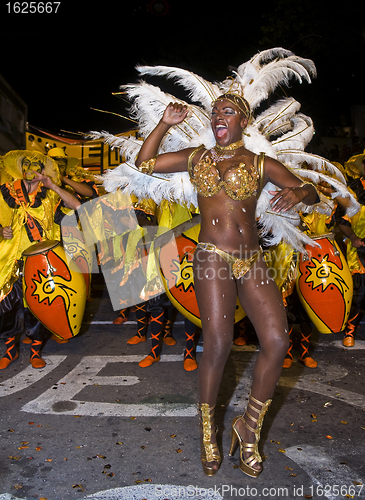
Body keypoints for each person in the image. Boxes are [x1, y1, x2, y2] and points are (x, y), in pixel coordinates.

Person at [133, 96, 319, 477]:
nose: (219, 116)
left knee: (277, 341)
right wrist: (165, 124)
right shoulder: (197, 157)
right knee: (217, 343)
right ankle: (207, 434)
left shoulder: (260, 163)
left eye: (228, 112)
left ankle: (248, 428)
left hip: (251, 258)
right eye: (215, 112)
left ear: (244, 121)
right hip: (212, 255)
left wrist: (299, 193)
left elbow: (311, 192)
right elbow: (145, 163)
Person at [0, 150, 81, 369]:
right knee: (8, 308)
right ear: (21, 168)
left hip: (41, 263)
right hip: (10, 262)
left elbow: (78, 207)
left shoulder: (50, 195)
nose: (32, 169)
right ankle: (10, 352)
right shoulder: (6, 192)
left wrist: (53, 185)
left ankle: (35, 352)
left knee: (39, 307)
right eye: (28, 165)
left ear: (43, 171)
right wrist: (1, 231)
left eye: (37, 166)